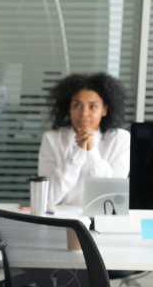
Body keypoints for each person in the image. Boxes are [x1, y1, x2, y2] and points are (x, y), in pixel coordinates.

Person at [38, 73, 130, 207]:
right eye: (77, 105)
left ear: (104, 110)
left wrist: (91, 151)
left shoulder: (120, 140)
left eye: (92, 107)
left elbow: (113, 199)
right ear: (69, 108)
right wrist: (79, 151)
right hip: (62, 222)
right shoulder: (52, 140)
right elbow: (47, 200)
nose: (84, 114)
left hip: (102, 223)